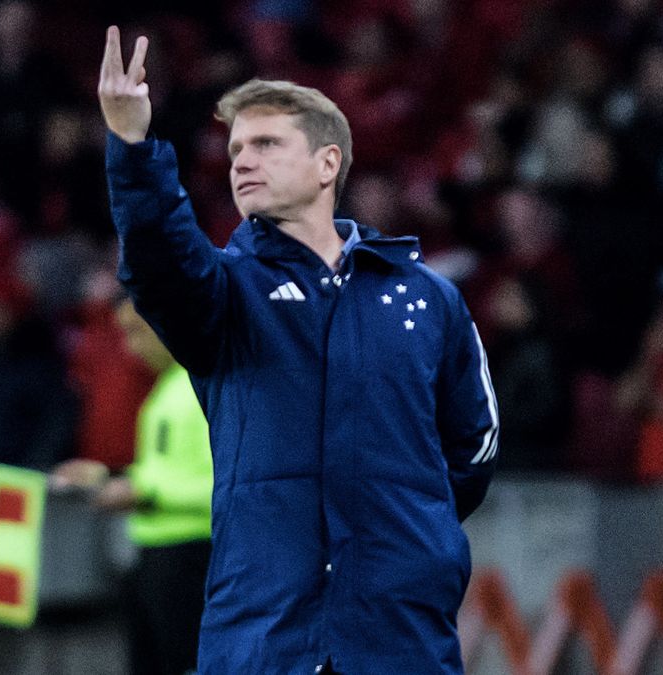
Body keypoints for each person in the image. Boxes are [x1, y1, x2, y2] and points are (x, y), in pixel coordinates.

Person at [99, 25, 499, 674]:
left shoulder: (428, 299)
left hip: (399, 638)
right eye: (234, 150)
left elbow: (473, 447)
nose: (241, 161)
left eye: (265, 144)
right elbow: (158, 264)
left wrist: (407, 526)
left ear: (327, 164)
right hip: (265, 638)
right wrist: (132, 144)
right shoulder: (225, 293)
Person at [53, 296, 212, 675]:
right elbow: (169, 470)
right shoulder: (171, 388)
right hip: (157, 556)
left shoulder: (203, 392)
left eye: (137, 332)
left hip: (192, 558)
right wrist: (106, 477)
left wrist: (146, 494)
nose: (130, 347)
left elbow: (224, 486)